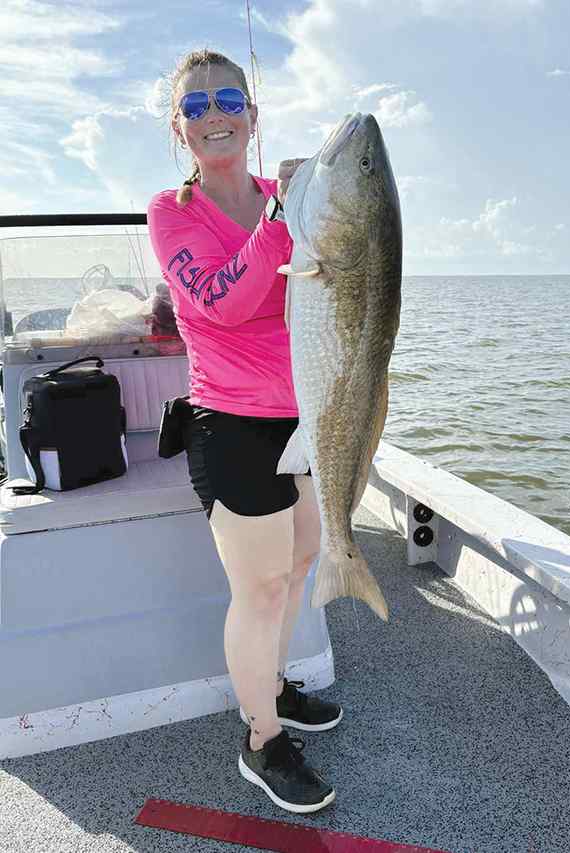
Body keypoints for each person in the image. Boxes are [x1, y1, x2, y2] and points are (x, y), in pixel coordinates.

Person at [147, 48, 342, 814]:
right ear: (180, 130)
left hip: (304, 417)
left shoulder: (286, 195)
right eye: (196, 107)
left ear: (253, 118)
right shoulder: (173, 214)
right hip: (229, 425)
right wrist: (276, 221)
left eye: (229, 99)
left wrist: (314, 206)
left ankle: (275, 686)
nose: (215, 114)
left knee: (298, 568)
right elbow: (220, 301)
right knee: (259, 589)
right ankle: (260, 738)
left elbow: (332, 274)